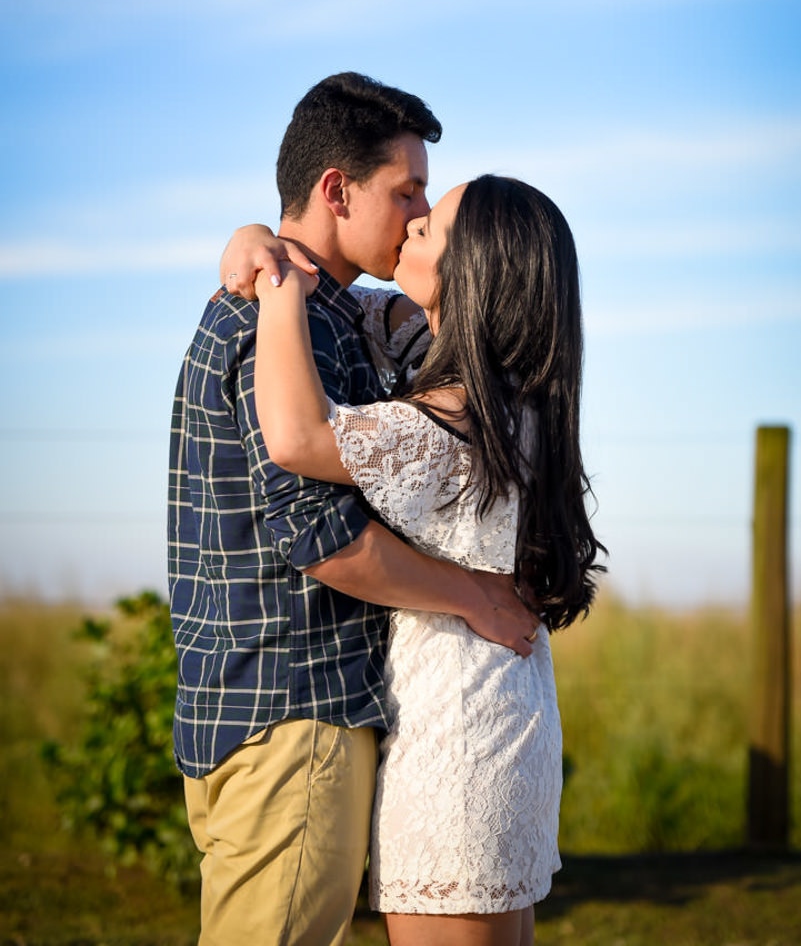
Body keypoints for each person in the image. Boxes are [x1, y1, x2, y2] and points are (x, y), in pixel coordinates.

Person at [168, 74, 538, 946]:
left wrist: (255, 238)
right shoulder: (290, 324)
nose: (417, 215)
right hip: (297, 708)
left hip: (273, 706)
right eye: (406, 191)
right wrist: (471, 595)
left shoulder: (332, 318)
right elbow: (318, 533)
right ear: (336, 190)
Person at [251, 174, 607, 946]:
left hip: (455, 742)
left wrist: (275, 290)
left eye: (430, 227)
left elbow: (297, 437)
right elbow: (364, 309)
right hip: (504, 718)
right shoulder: (514, 402)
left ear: (470, 271)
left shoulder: (450, 418)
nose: (410, 226)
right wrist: (255, 241)